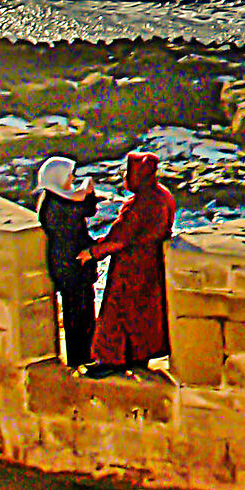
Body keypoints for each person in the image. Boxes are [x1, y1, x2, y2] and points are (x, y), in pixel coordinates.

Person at [80, 149, 174, 375]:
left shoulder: (139, 205)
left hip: (130, 268)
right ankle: (140, 356)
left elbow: (119, 238)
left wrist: (92, 253)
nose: (124, 177)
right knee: (145, 314)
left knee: (117, 313)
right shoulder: (163, 197)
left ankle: (111, 360)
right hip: (153, 264)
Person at [34, 155, 98, 369]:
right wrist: (87, 192)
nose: (71, 179)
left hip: (72, 268)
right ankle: (81, 359)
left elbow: (85, 207)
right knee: (77, 316)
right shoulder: (56, 205)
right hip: (70, 269)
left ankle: (84, 356)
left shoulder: (55, 199)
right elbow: (83, 209)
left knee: (82, 313)